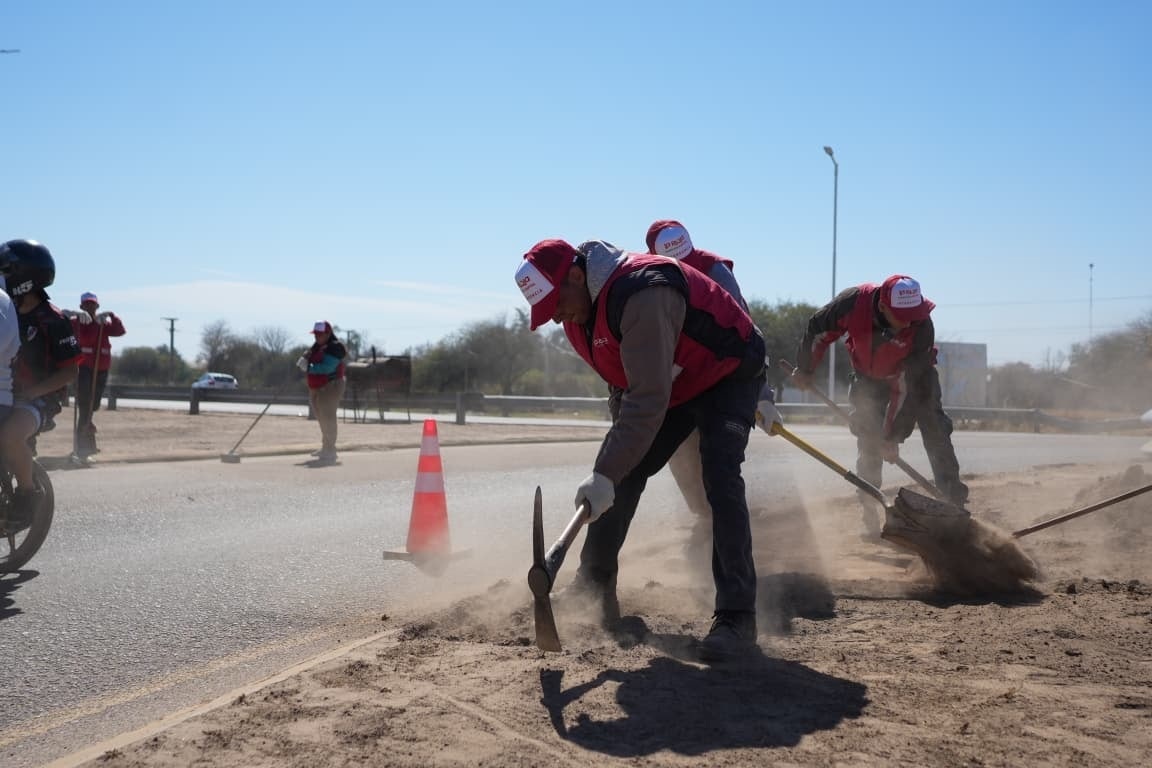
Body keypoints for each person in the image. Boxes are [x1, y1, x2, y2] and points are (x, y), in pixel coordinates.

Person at [515, 238, 767, 662]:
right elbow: (624, 388)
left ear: (577, 276)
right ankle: (594, 585)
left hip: (728, 371)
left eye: (556, 304)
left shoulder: (643, 292)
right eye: (546, 314)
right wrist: (609, 472)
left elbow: (648, 398)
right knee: (624, 471)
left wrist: (607, 470)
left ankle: (737, 617)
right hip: (677, 382)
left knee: (720, 478)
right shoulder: (578, 318)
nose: (555, 318)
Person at [791, 274, 968, 535]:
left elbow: (907, 389)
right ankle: (871, 509)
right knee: (869, 436)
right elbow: (819, 329)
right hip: (868, 376)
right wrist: (806, 369)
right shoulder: (852, 304)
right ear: (883, 306)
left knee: (936, 429)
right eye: (902, 315)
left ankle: (954, 506)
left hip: (915, 379)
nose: (909, 321)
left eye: (913, 315)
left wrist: (893, 436)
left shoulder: (921, 327)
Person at [643, 220, 782, 524]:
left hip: (724, 382)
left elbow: (748, 336)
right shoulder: (649, 282)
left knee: (716, 459)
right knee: (680, 455)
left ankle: (725, 521)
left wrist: (762, 396)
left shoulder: (717, 272)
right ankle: (705, 516)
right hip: (682, 382)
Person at [0, 239, 81, 528]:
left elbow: (71, 372)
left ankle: (26, 496)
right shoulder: (7, 312)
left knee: (9, 435)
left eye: (5, 270)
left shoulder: (54, 320)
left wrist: (32, 392)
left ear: (23, 277)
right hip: (8, 393)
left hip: (40, 400)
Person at [66, 291, 126, 460]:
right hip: (82, 367)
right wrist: (72, 316)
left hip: (101, 367)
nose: (90, 308)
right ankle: (83, 447)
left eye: (93, 305)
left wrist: (112, 316)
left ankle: (86, 444)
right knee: (85, 403)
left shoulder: (103, 324)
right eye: (87, 305)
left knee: (93, 405)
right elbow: (61, 325)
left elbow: (120, 331)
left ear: (97, 306)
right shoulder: (75, 323)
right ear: (81, 306)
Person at [298, 321, 346, 464]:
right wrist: (305, 359)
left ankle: (330, 450)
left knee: (328, 417)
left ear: (328, 334)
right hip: (319, 387)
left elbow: (327, 368)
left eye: (320, 334)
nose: (317, 337)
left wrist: (308, 368)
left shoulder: (335, 348)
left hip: (331, 386)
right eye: (316, 334)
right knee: (322, 417)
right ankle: (326, 447)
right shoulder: (317, 347)